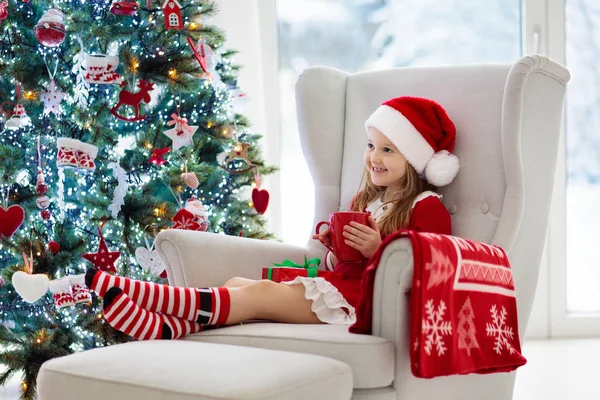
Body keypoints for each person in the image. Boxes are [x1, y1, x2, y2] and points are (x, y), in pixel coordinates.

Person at [85, 96, 460, 340]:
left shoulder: (426, 208)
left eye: (388, 149)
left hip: (364, 303)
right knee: (235, 282)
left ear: (413, 158)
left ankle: (142, 294)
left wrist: (379, 249)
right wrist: (335, 247)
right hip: (340, 286)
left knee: (260, 293)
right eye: (370, 146)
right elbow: (345, 264)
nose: (374, 157)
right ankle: (164, 328)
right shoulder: (367, 200)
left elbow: (426, 273)